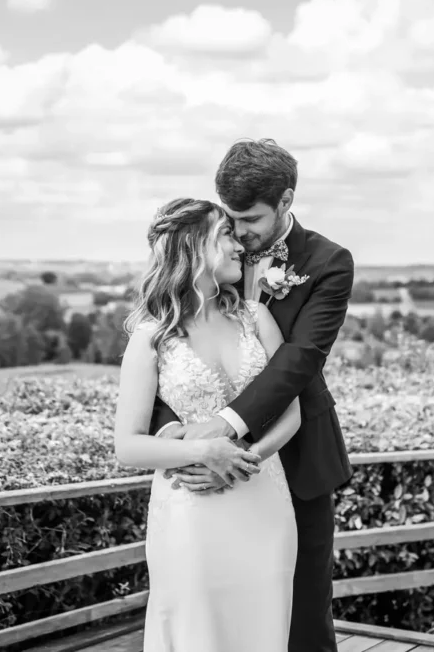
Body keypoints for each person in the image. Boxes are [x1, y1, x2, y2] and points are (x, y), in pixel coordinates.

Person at [149, 139, 355, 652]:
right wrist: (178, 437)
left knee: (303, 614)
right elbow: (167, 354)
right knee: (213, 614)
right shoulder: (206, 248)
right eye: (231, 218)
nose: (239, 233)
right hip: (197, 464)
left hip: (297, 455)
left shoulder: (328, 262)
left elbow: (300, 359)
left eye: (251, 219)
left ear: (286, 201)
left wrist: (228, 425)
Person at [115, 197, 301, 652]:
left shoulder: (256, 318)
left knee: (262, 629)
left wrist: (245, 460)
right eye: (226, 235)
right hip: (191, 512)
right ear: (194, 246)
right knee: (198, 633)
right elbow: (128, 446)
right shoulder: (152, 337)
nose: (239, 246)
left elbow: (292, 412)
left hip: (264, 499)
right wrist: (205, 453)